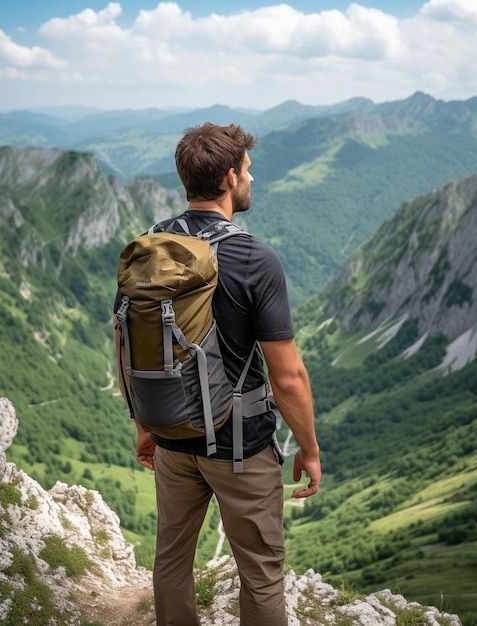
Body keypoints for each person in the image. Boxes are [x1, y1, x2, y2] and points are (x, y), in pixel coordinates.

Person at [114, 122, 321, 626]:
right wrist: (309, 449)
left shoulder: (149, 250)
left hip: (172, 436)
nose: (252, 177)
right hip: (240, 450)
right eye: (248, 169)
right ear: (230, 177)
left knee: (171, 561)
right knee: (261, 573)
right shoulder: (254, 258)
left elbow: (126, 344)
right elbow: (288, 375)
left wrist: (145, 426)